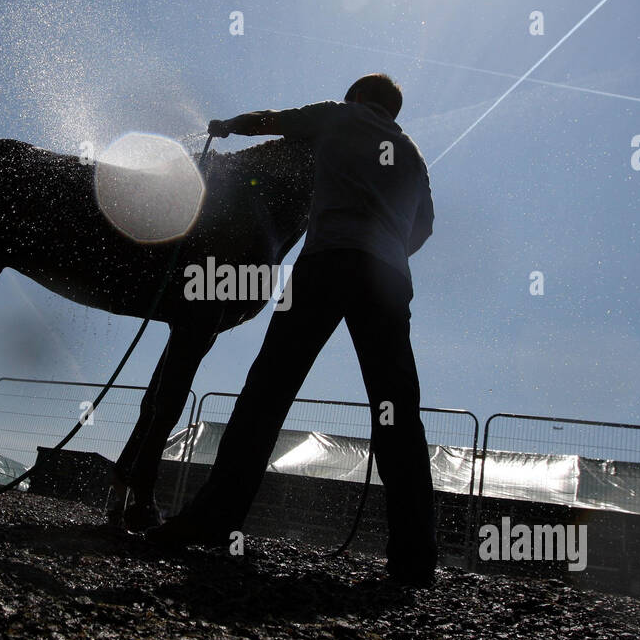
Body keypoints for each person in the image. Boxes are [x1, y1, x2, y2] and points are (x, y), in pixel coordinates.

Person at [146, 73, 438, 586]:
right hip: (389, 280)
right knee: (397, 412)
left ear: (358, 98)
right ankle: (414, 557)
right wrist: (385, 248)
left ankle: (214, 520)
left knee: (268, 391)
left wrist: (229, 125)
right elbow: (425, 227)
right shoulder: (412, 154)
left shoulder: (340, 114)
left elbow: (273, 122)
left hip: (327, 265)